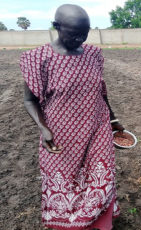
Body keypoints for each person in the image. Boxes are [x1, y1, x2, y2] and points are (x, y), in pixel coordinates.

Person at [20, 4, 124, 230]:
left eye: (85, 33)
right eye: (75, 33)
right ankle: (68, 224)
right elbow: (30, 100)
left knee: (100, 178)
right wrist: (43, 128)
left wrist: (113, 120)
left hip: (97, 127)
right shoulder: (37, 59)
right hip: (60, 133)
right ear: (57, 27)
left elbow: (101, 91)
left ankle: (98, 224)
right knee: (64, 183)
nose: (81, 38)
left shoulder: (94, 54)